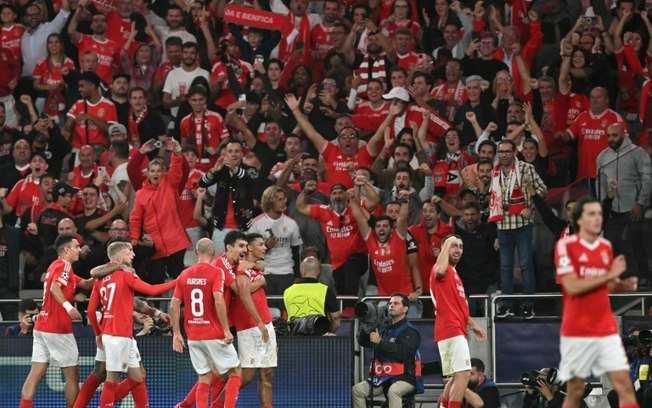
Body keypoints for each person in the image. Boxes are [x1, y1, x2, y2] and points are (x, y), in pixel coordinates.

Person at [554, 197, 639, 408]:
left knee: (624, 386)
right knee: (575, 391)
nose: (597, 218)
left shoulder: (604, 247)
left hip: (605, 325)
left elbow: (605, 284)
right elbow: (573, 286)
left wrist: (622, 285)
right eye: (592, 214)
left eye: (599, 214)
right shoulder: (565, 246)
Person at [86, 241, 177, 407]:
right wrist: (178, 282)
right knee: (111, 379)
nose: (133, 255)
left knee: (137, 376)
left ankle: (105, 402)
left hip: (114, 334)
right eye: (130, 252)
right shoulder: (126, 273)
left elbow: (91, 310)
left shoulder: (101, 278)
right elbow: (152, 290)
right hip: (118, 336)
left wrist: (98, 333)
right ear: (120, 256)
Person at [20, 234, 94, 408]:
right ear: (66, 249)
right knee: (72, 376)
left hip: (41, 327)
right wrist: (69, 307)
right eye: (76, 246)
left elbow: (87, 284)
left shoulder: (56, 267)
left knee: (35, 374)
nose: (79, 249)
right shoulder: (64, 265)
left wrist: (107, 270)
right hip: (57, 328)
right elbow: (55, 287)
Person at [170, 238, 242, 408]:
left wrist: (176, 334)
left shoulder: (184, 274)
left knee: (204, 376)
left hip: (193, 335)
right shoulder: (216, 272)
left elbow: (174, 304)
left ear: (196, 252)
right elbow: (218, 300)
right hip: (214, 333)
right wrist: (226, 329)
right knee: (235, 371)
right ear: (213, 253)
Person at [489, 139, 547, 319]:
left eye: (508, 151)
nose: (504, 154)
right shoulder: (495, 171)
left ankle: (528, 305)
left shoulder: (526, 168)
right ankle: (506, 305)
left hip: (522, 225)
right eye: (501, 151)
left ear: (514, 152)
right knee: (505, 267)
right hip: (503, 225)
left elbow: (543, 191)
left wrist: (531, 209)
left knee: (525, 265)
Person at [431, 235, 487, 408]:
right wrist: (446, 244)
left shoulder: (453, 273)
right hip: (450, 329)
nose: (458, 250)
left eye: (460, 247)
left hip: (452, 329)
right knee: (463, 375)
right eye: (453, 246)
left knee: (456, 376)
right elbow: (439, 270)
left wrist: (473, 324)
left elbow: (456, 306)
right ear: (445, 248)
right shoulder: (442, 268)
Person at [597, 123, 651, 285]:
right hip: (613, 209)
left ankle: (646, 277)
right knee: (610, 244)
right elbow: (600, 184)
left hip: (634, 207)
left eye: (615, 135)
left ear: (624, 135)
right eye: (608, 136)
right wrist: (603, 207)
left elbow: (648, 178)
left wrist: (641, 203)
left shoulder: (637, 153)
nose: (611, 139)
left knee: (637, 243)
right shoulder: (602, 157)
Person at [351, 293, 424, 408]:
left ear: (405, 309)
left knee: (394, 391)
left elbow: (403, 353)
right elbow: (363, 343)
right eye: (390, 303)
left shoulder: (410, 331)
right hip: (383, 376)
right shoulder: (383, 327)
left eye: (396, 303)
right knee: (357, 390)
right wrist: (367, 325)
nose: (391, 306)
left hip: (405, 377)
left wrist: (380, 342)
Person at [230, 233, 276, 407]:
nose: (265, 247)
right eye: (261, 244)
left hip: (266, 324)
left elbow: (260, 272)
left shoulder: (255, 268)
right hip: (249, 326)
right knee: (246, 377)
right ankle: (219, 403)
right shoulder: (238, 268)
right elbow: (242, 293)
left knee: (267, 374)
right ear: (249, 247)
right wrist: (260, 282)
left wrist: (258, 270)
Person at [284, 255, 341, 333]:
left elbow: (285, 317)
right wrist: (329, 333)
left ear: (303, 271)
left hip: (294, 339)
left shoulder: (288, 291)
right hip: (319, 338)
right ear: (318, 272)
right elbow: (336, 320)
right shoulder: (326, 290)